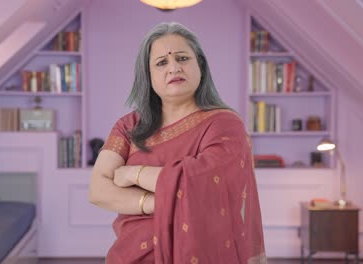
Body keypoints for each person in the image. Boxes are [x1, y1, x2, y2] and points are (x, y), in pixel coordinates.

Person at [89, 22, 266, 264]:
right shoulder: (129, 126)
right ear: (148, 75)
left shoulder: (225, 124)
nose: (174, 67)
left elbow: (201, 182)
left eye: (183, 58)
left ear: (200, 66)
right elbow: (98, 190)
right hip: (129, 255)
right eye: (161, 62)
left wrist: (133, 173)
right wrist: (159, 204)